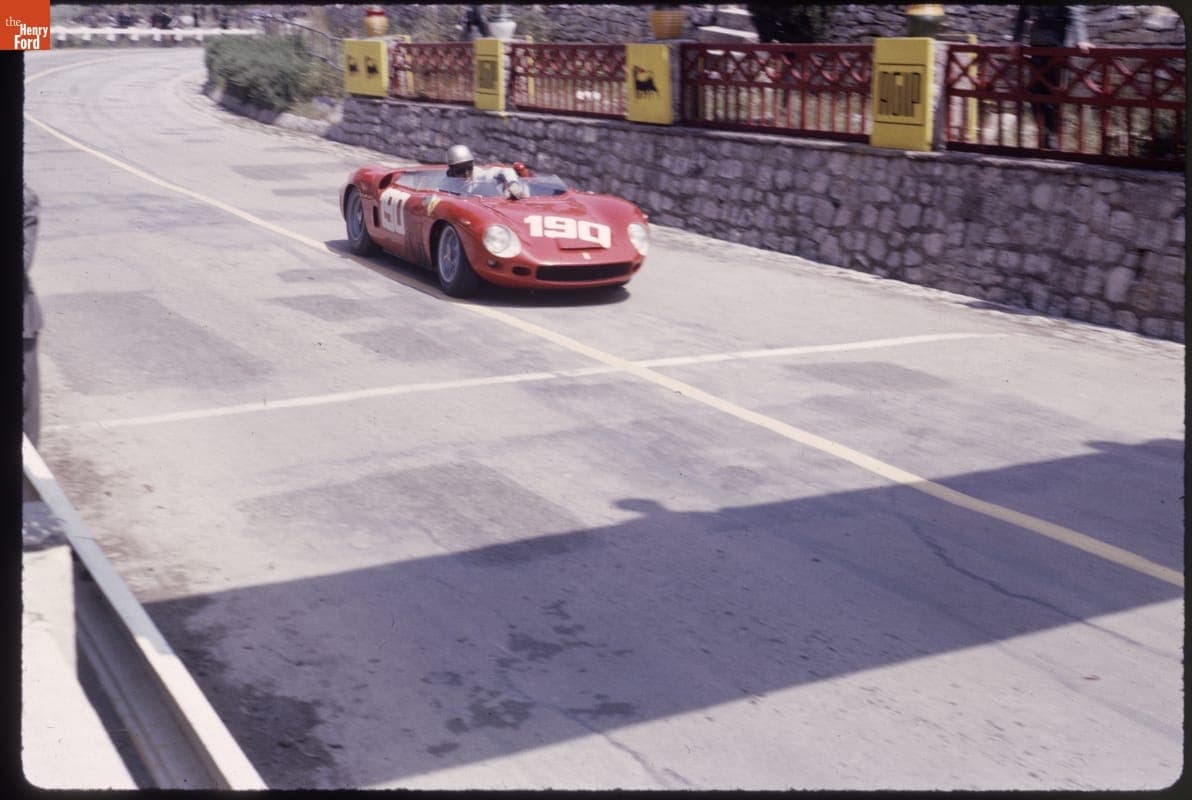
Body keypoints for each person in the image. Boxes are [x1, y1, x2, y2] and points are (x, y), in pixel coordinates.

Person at [1011, 5, 1092, 149]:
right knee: (1035, 93)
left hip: (1058, 47)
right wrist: (1016, 40)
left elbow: (1074, 13)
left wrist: (1081, 39)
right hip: (1035, 47)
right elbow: (1022, 13)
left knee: (1056, 94)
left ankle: (1053, 138)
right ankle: (1044, 133)